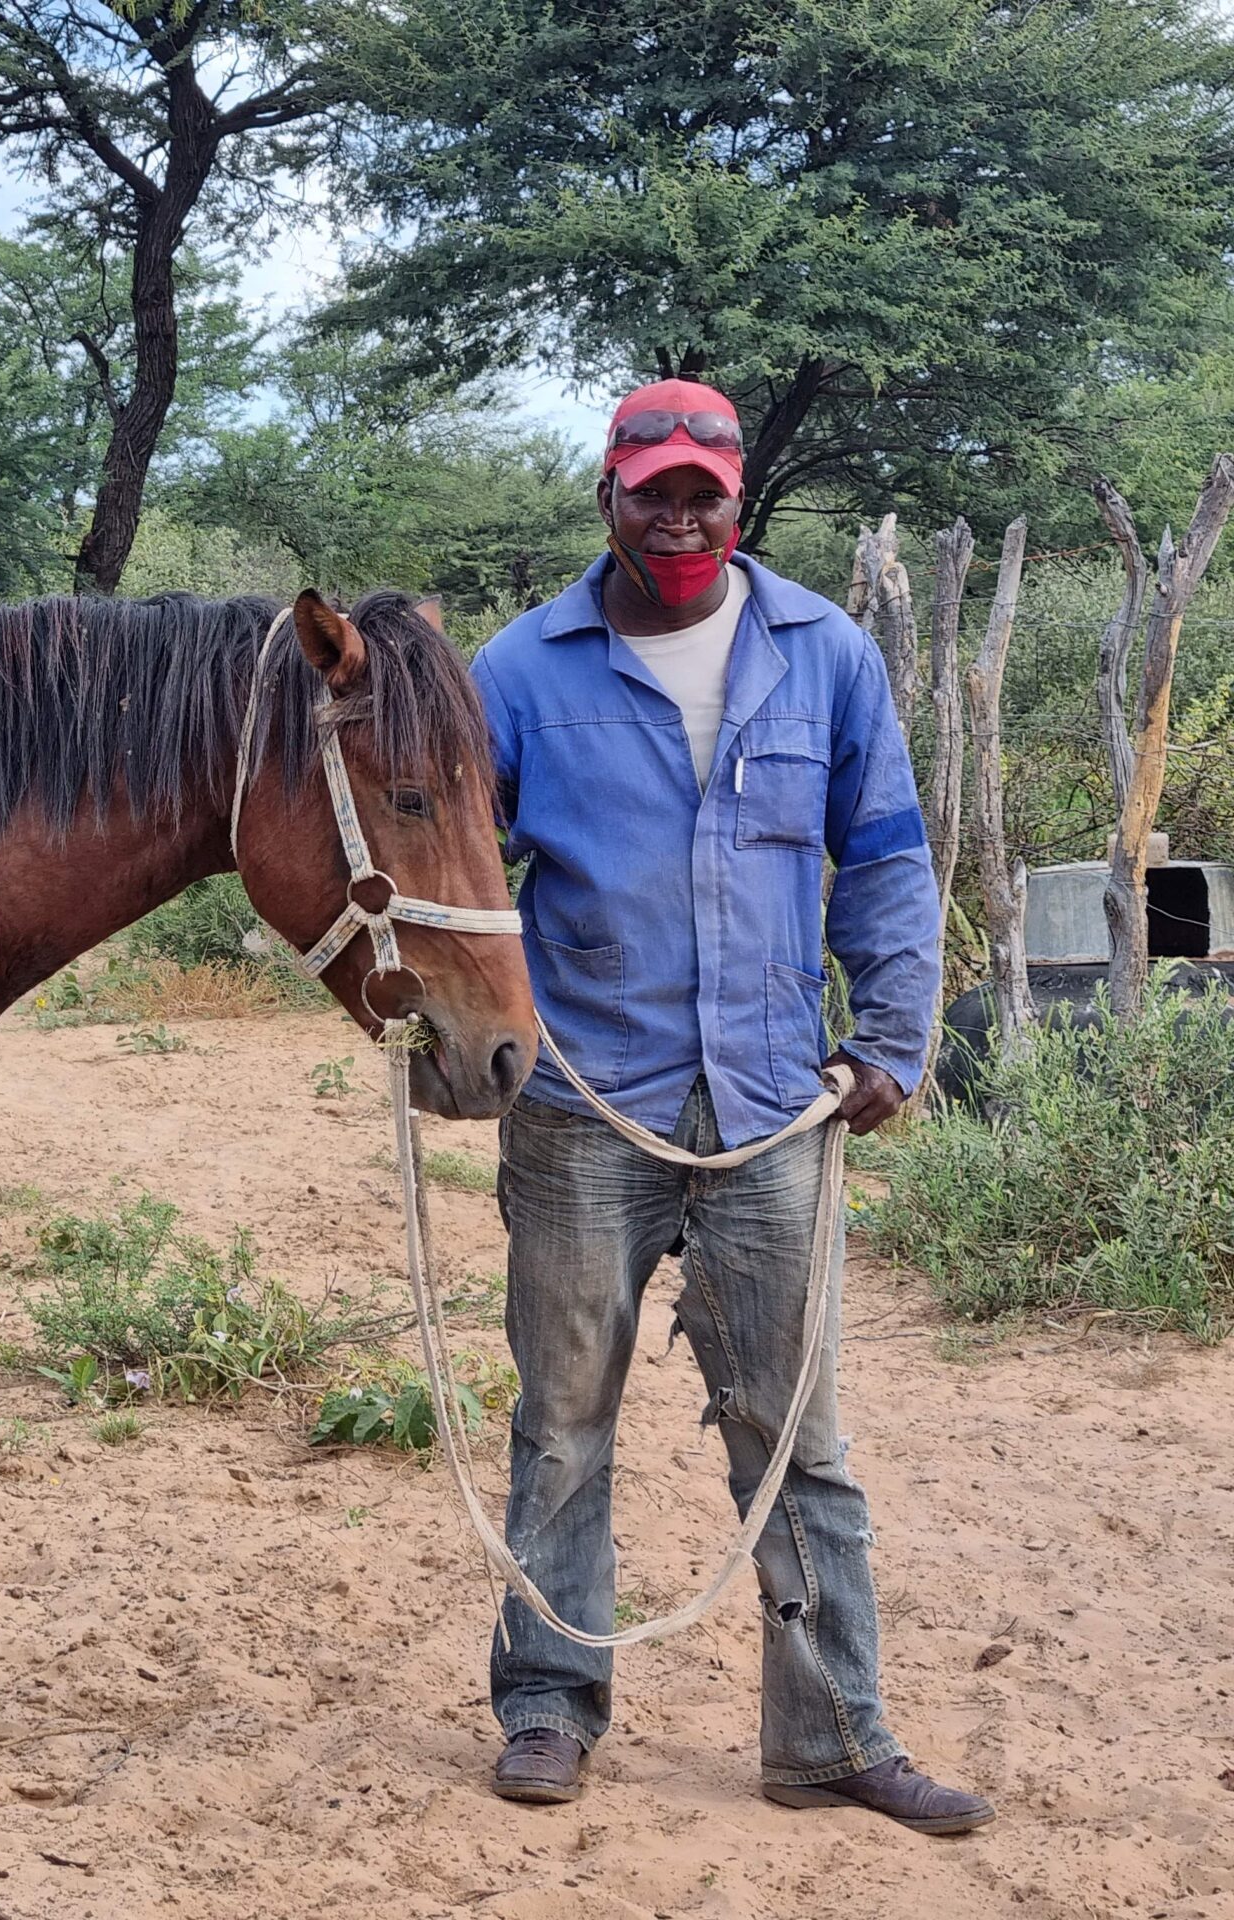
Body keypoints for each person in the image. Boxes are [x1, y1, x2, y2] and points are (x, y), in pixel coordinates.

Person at [466, 379, 993, 1833]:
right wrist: (455, 1032)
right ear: (609, 500)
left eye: (705, 488)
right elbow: (454, 868)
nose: (681, 513)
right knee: (563, 1422)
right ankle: (547, 1707)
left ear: (738, 498)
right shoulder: (517, 670)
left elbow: (884, 854)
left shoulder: (823, 654)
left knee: (797, 1439)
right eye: (654, 490)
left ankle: (832, 1737)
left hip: (774, 1110)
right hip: (584, 1110)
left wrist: (892, 1037)